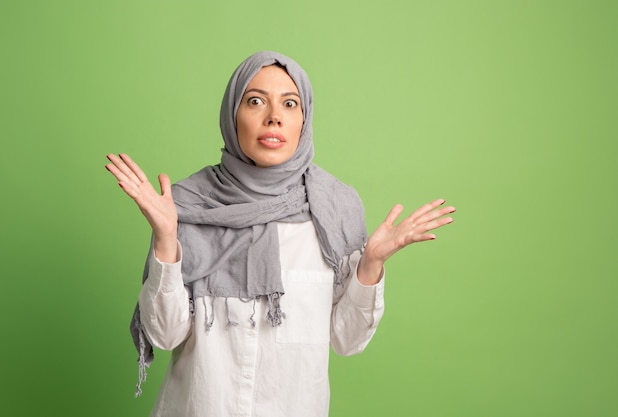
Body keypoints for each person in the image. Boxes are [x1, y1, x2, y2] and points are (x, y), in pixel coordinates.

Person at [105, 51, 455, 417]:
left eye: (290, 104)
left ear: (304, 120)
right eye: (255, 101)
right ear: (231, 115)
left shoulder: (334, 209)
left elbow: (347, 341)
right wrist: (165, 239)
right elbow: (165, 335)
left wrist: (370, 266)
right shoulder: (189, 205)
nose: (274, 117)